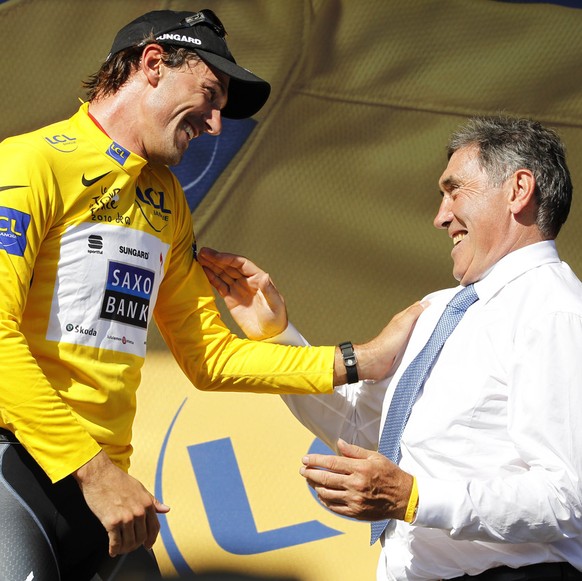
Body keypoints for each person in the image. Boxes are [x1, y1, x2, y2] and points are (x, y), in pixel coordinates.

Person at [0, 8, 424, 581]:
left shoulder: (165, 198)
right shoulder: (31, 162)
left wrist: (358, 361)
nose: (217, 124)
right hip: (23, 470)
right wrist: (94, 473)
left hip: (108, 491)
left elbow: (208, 357)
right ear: (152, 64)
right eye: (210, 94)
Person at [200, 116, 582, 580]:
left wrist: (414, 499)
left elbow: (569, 496)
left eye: (455, 190)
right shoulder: (438, 309)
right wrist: (278, 336)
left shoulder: (555, 312)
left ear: (519, 190)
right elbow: (360, 429)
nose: (440, 216)